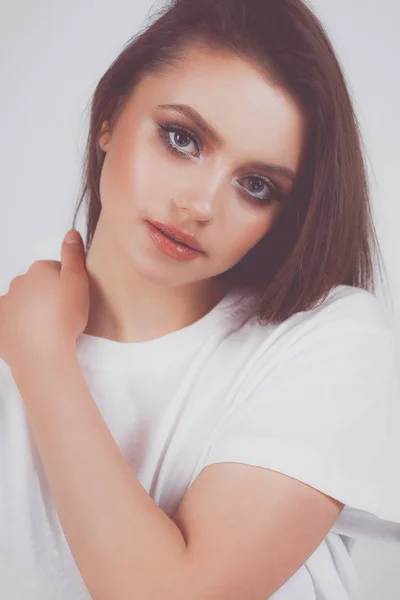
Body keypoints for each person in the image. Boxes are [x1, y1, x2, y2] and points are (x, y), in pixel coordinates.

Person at [0, 0, 399, 598]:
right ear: (108, 114)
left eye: (256, 185)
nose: (201, 205)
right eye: (182, 138)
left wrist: (43, 360)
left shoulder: (326, 341)